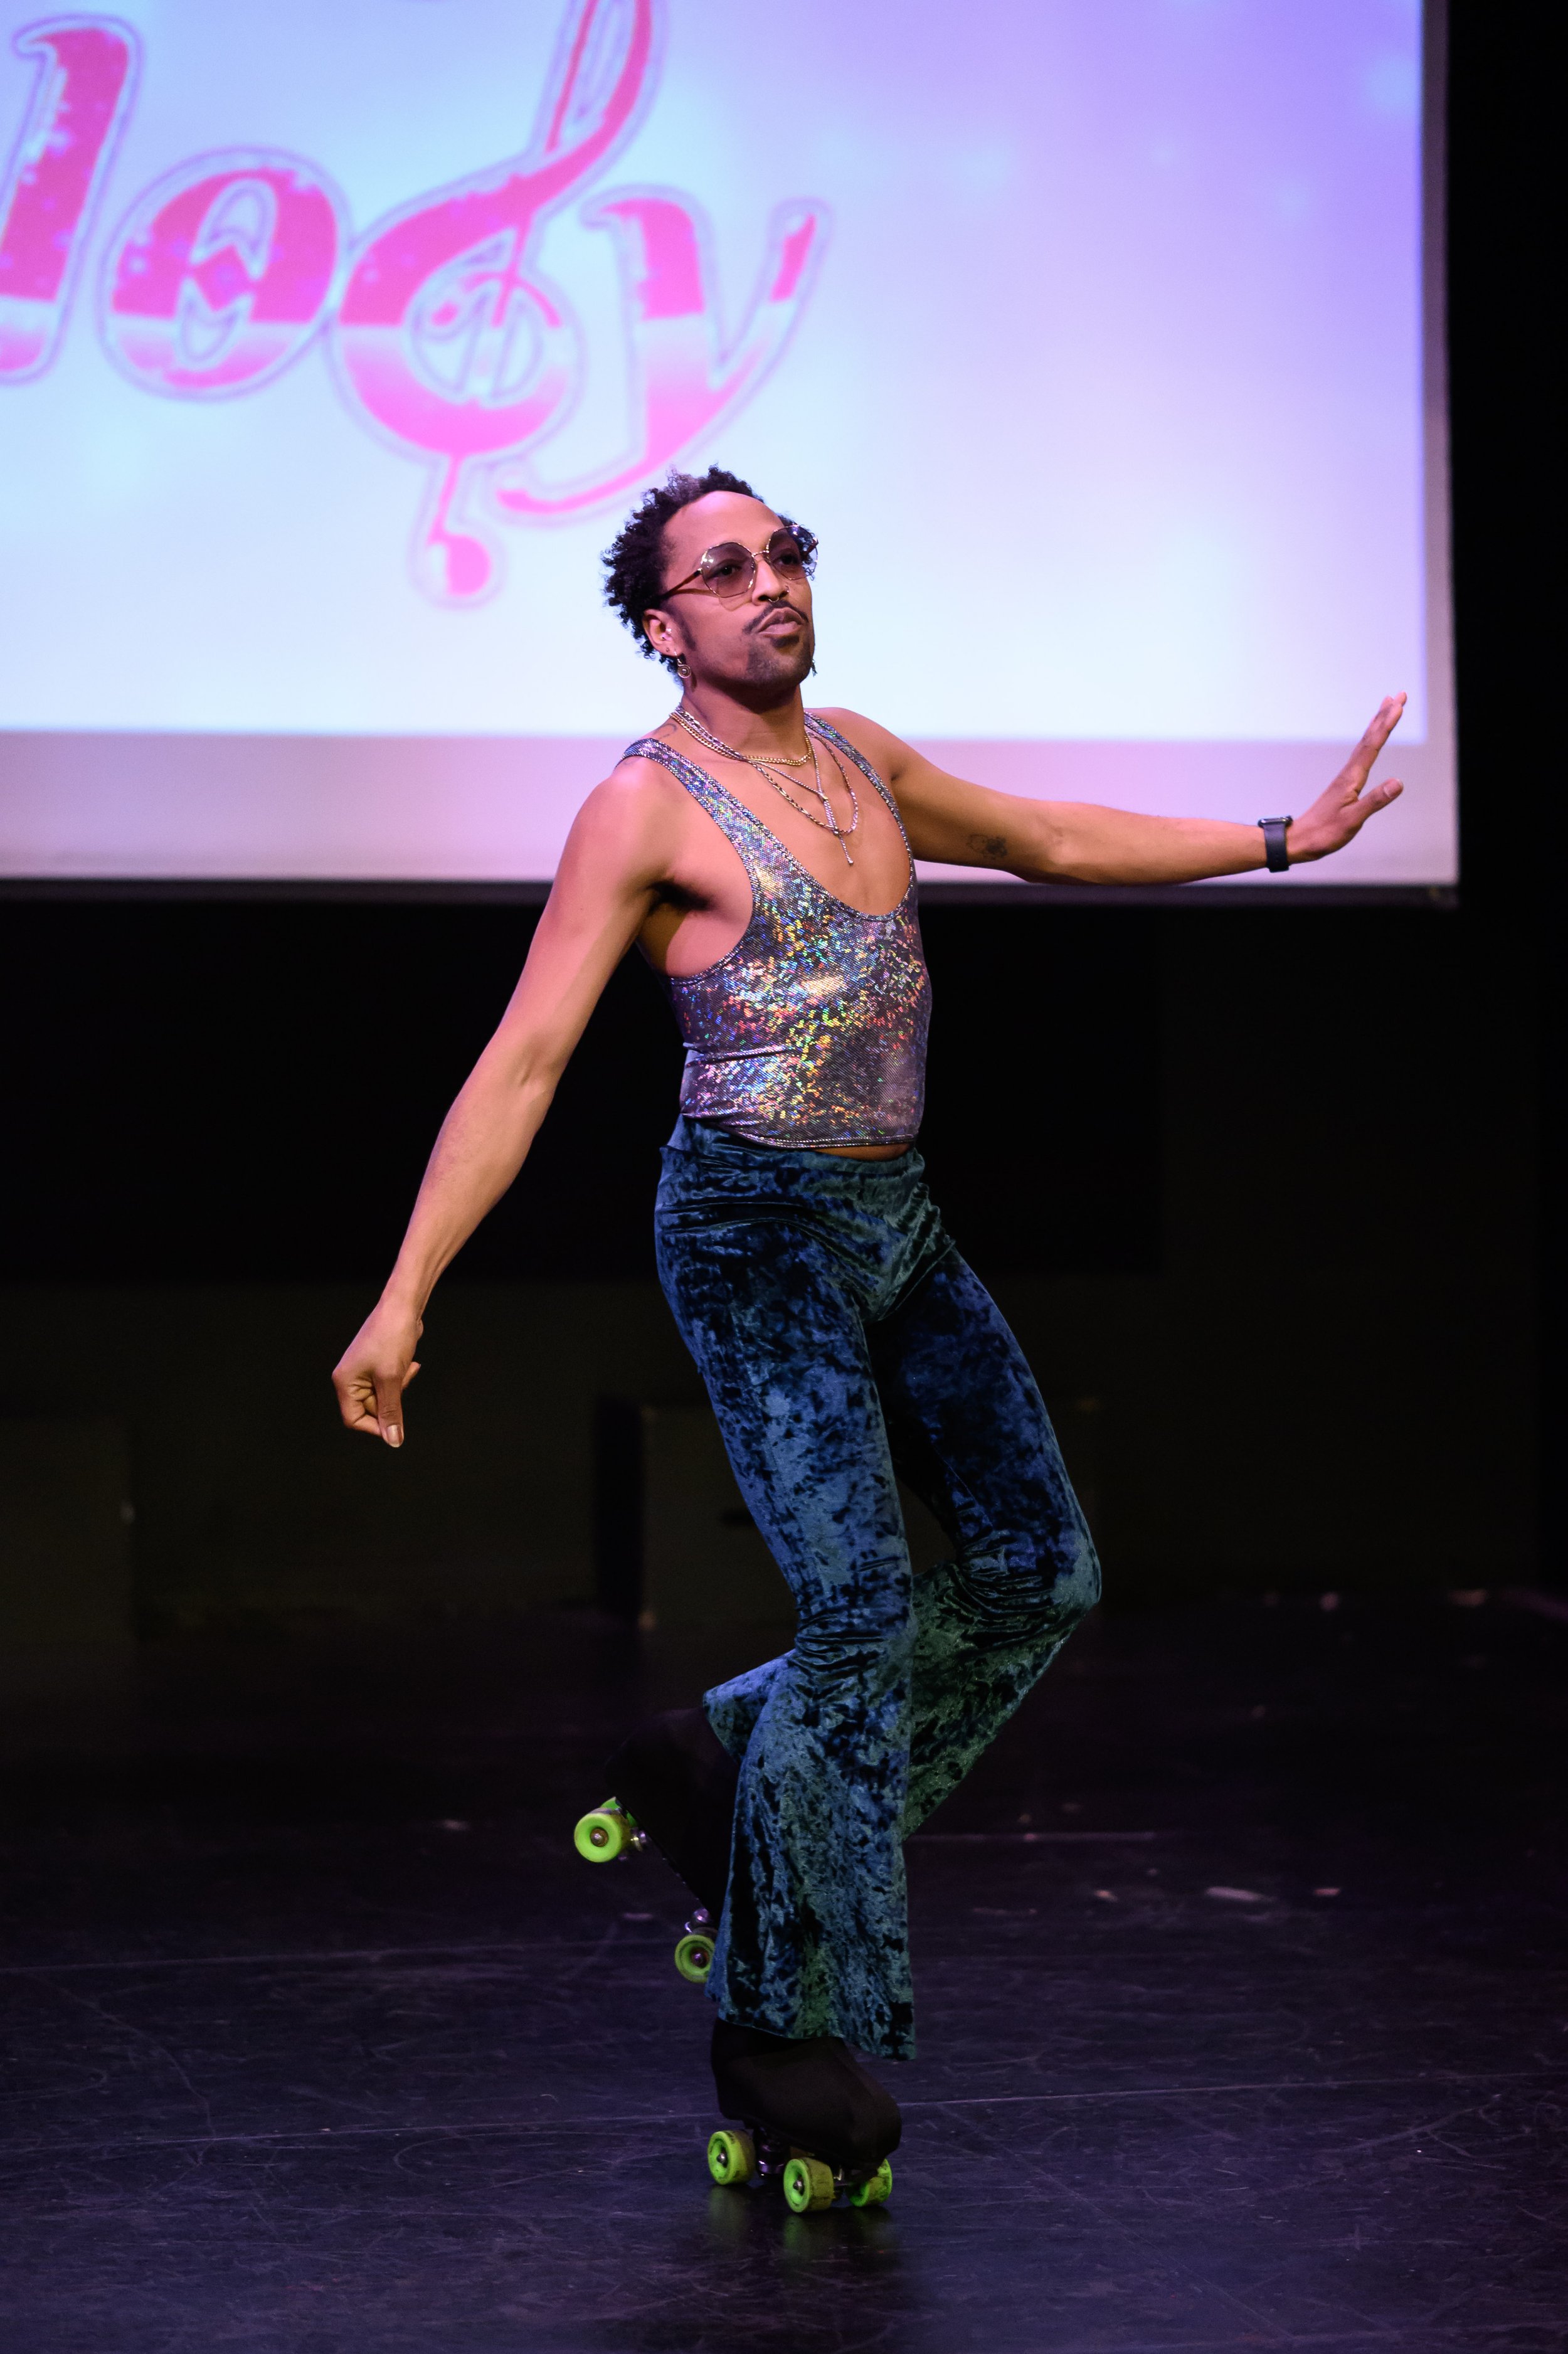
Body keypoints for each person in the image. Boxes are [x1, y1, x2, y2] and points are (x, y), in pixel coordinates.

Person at [331, 465, 1405, 2195]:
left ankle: (716, 1761)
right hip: (751, 1232)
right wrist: (403, 1296)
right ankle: (775, 2030)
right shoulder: (641, 810)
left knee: (1041, 1570)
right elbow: (523, 1062)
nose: (772, 582)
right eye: (726, 567)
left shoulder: (863, 759)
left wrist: (1281, 839)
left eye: (787, 554)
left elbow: (1051, 840)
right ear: (661, 625)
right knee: (857, 1616)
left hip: (894, 1220)